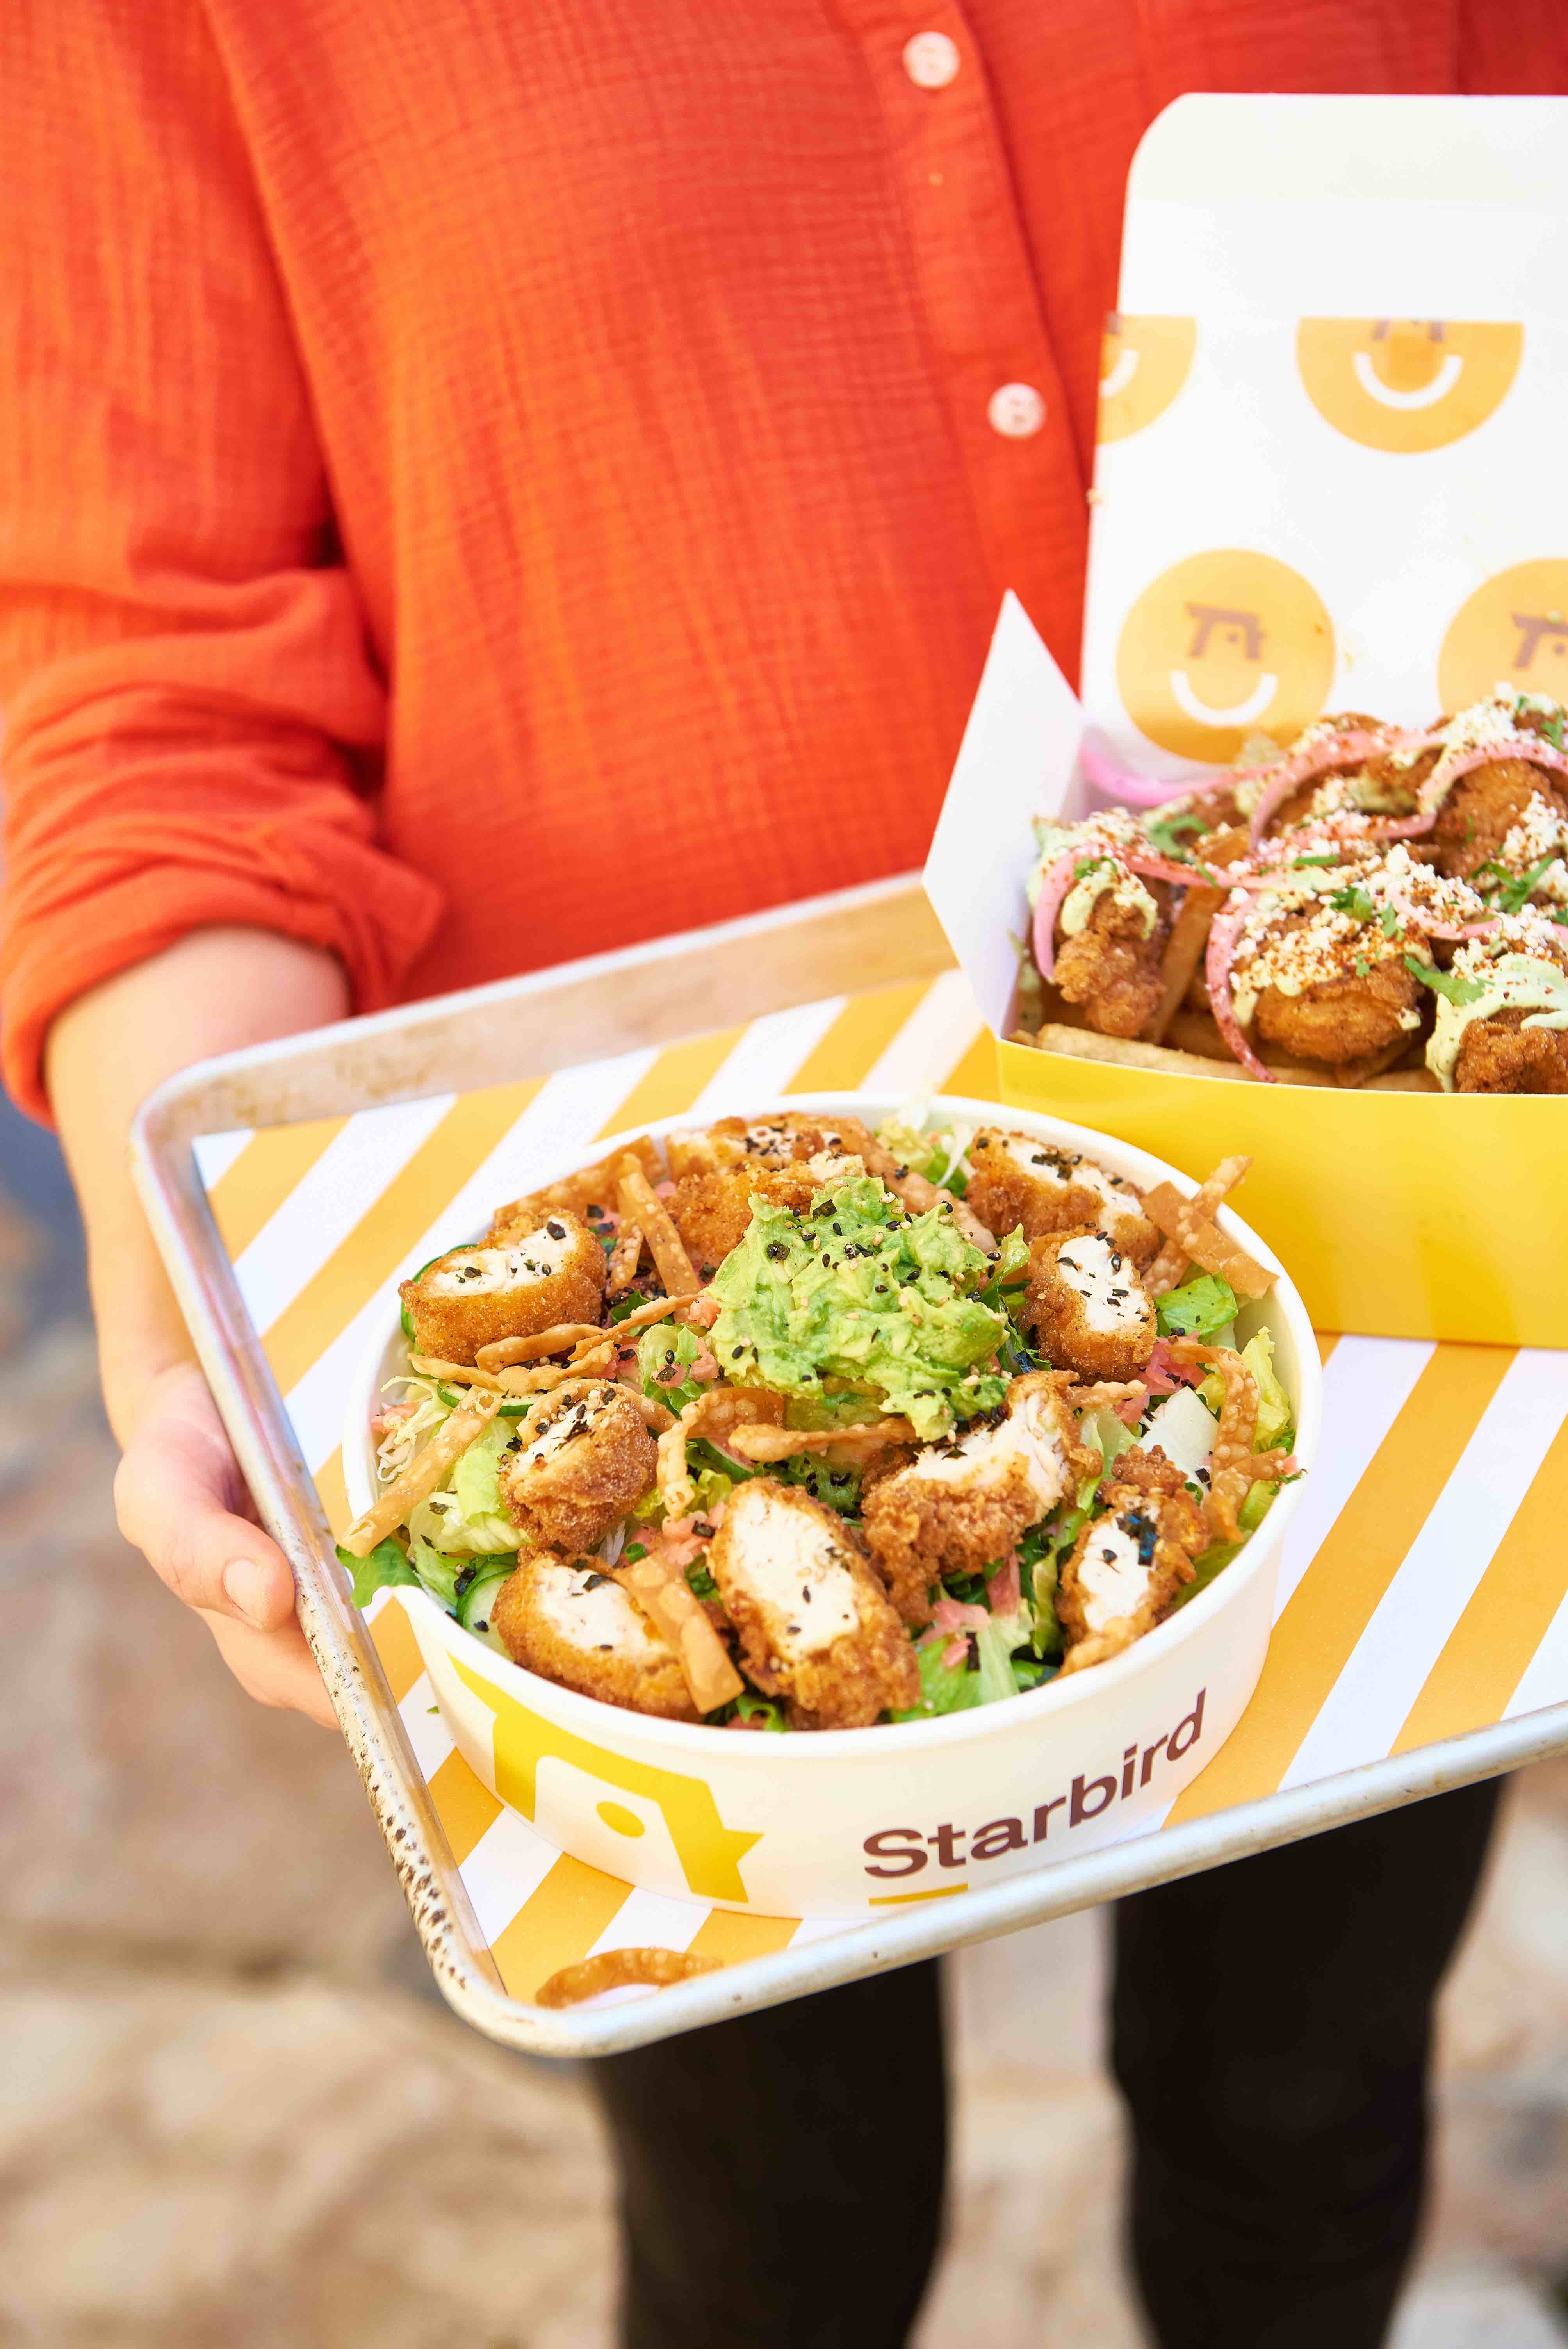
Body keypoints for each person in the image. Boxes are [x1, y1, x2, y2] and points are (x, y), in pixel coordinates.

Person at [2, 8, 1552, 2343]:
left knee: (1305, 2101)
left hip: (1377, 1230)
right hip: (608, 1264)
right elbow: (158, 673)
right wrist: (201, 1293)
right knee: (775, 2239)